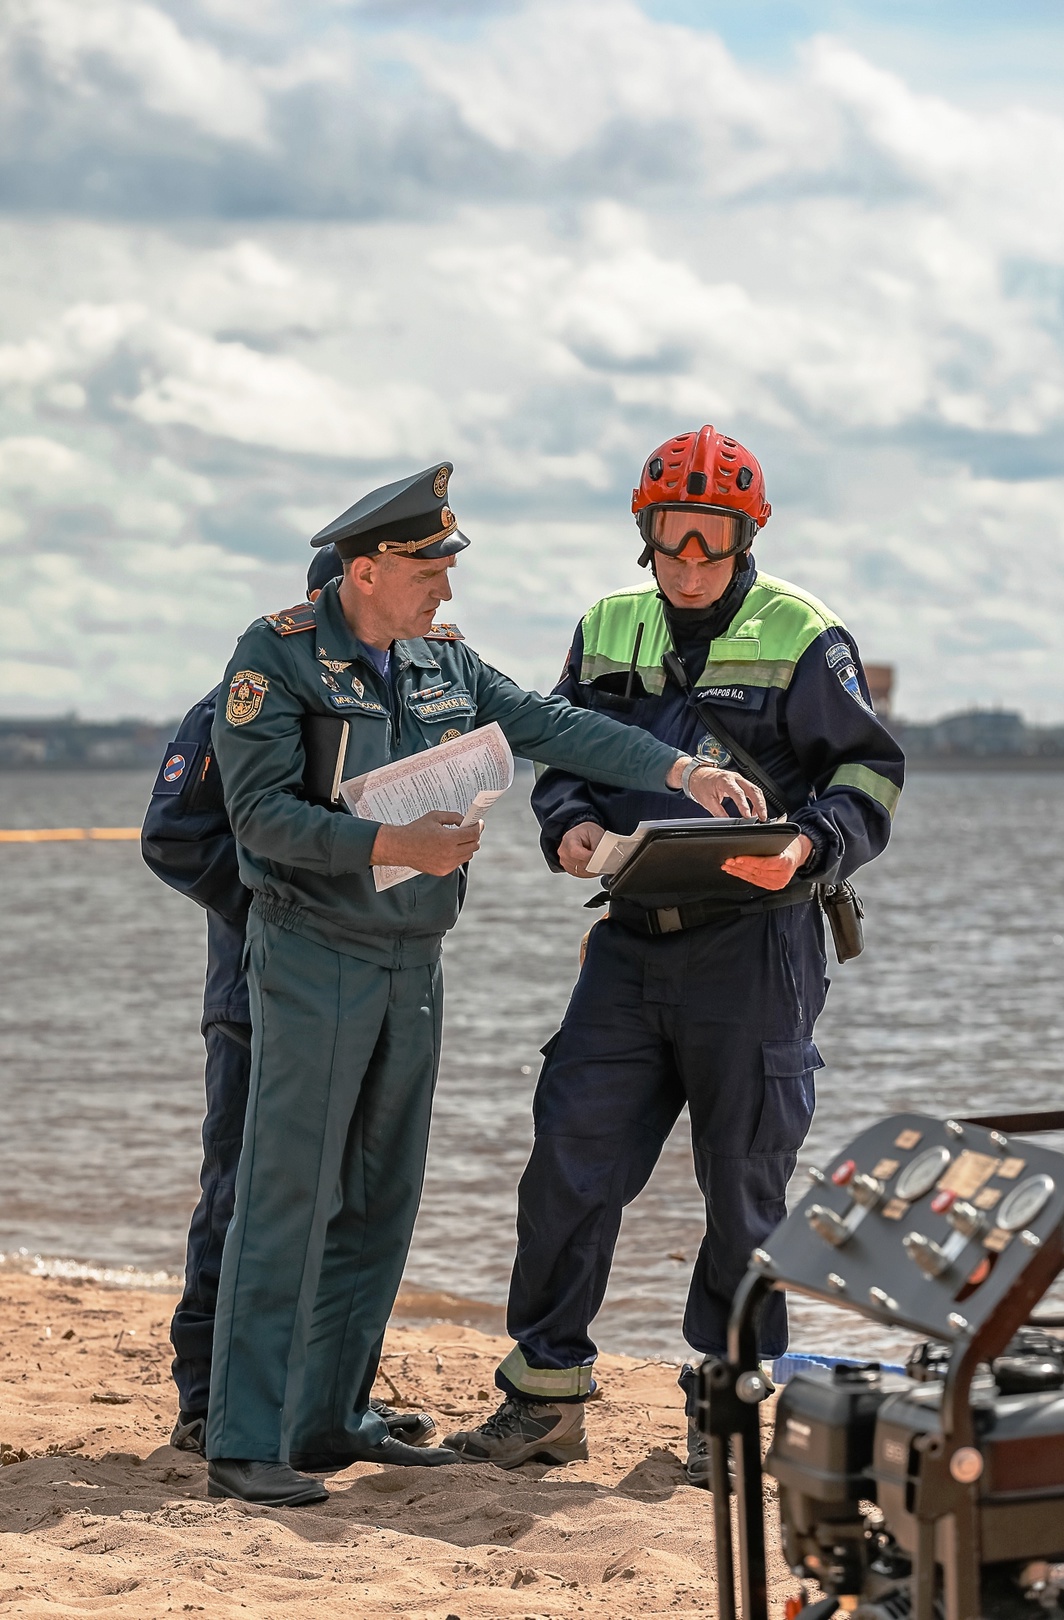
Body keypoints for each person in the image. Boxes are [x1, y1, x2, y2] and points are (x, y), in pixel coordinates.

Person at [204, 460, 758, 1507]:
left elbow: (556, 726)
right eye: (428, 572)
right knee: (289, 1197)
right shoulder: (275, 655)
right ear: (368, 570)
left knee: (383, 1198)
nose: (445, 589)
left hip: (415, 958)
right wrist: (392, 842)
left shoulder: (444, 658)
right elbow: (260, 818)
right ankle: (243, 1440)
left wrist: (682, 771)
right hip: (315, 953)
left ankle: (329, 1419)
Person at [443, 425, 906, 1481]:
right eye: (671, 540)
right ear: (643, 533)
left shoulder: (805, 633)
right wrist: (567, 826)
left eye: (712, 542)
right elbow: (561, 750)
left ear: (749, 537)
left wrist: (809, 846)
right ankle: (545, 1397)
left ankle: (726, 1404)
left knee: (745, 1185)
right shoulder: (608, 624)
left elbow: (870, 776)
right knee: (568, 1159)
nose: (689, 565)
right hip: (629, 940)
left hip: (759, 945)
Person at [141, 544, 438, 1457]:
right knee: (244, 1193)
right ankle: (208, 1400)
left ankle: (323, 1403)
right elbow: (173, 836)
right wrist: (288, 907)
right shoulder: (240, 697)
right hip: (257, 988)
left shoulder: (394, 693)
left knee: (349, 1198)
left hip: (363, 979)